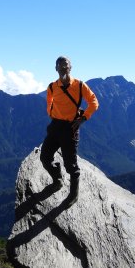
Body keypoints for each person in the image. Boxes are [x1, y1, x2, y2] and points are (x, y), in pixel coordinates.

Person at [40, 56, 99, 206]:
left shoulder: (79, 86)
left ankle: (74, 195)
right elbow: (49, 103)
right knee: (45, 157)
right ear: (56, 69)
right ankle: (58, 180)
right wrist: (53, 114)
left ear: (70, 67)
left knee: (71, 165)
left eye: (66, 66)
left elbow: (94, 102)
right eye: (60, 66)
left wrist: (83, 118)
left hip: (70, 128)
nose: (63, 68)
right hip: (55, 127)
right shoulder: (52, 87)